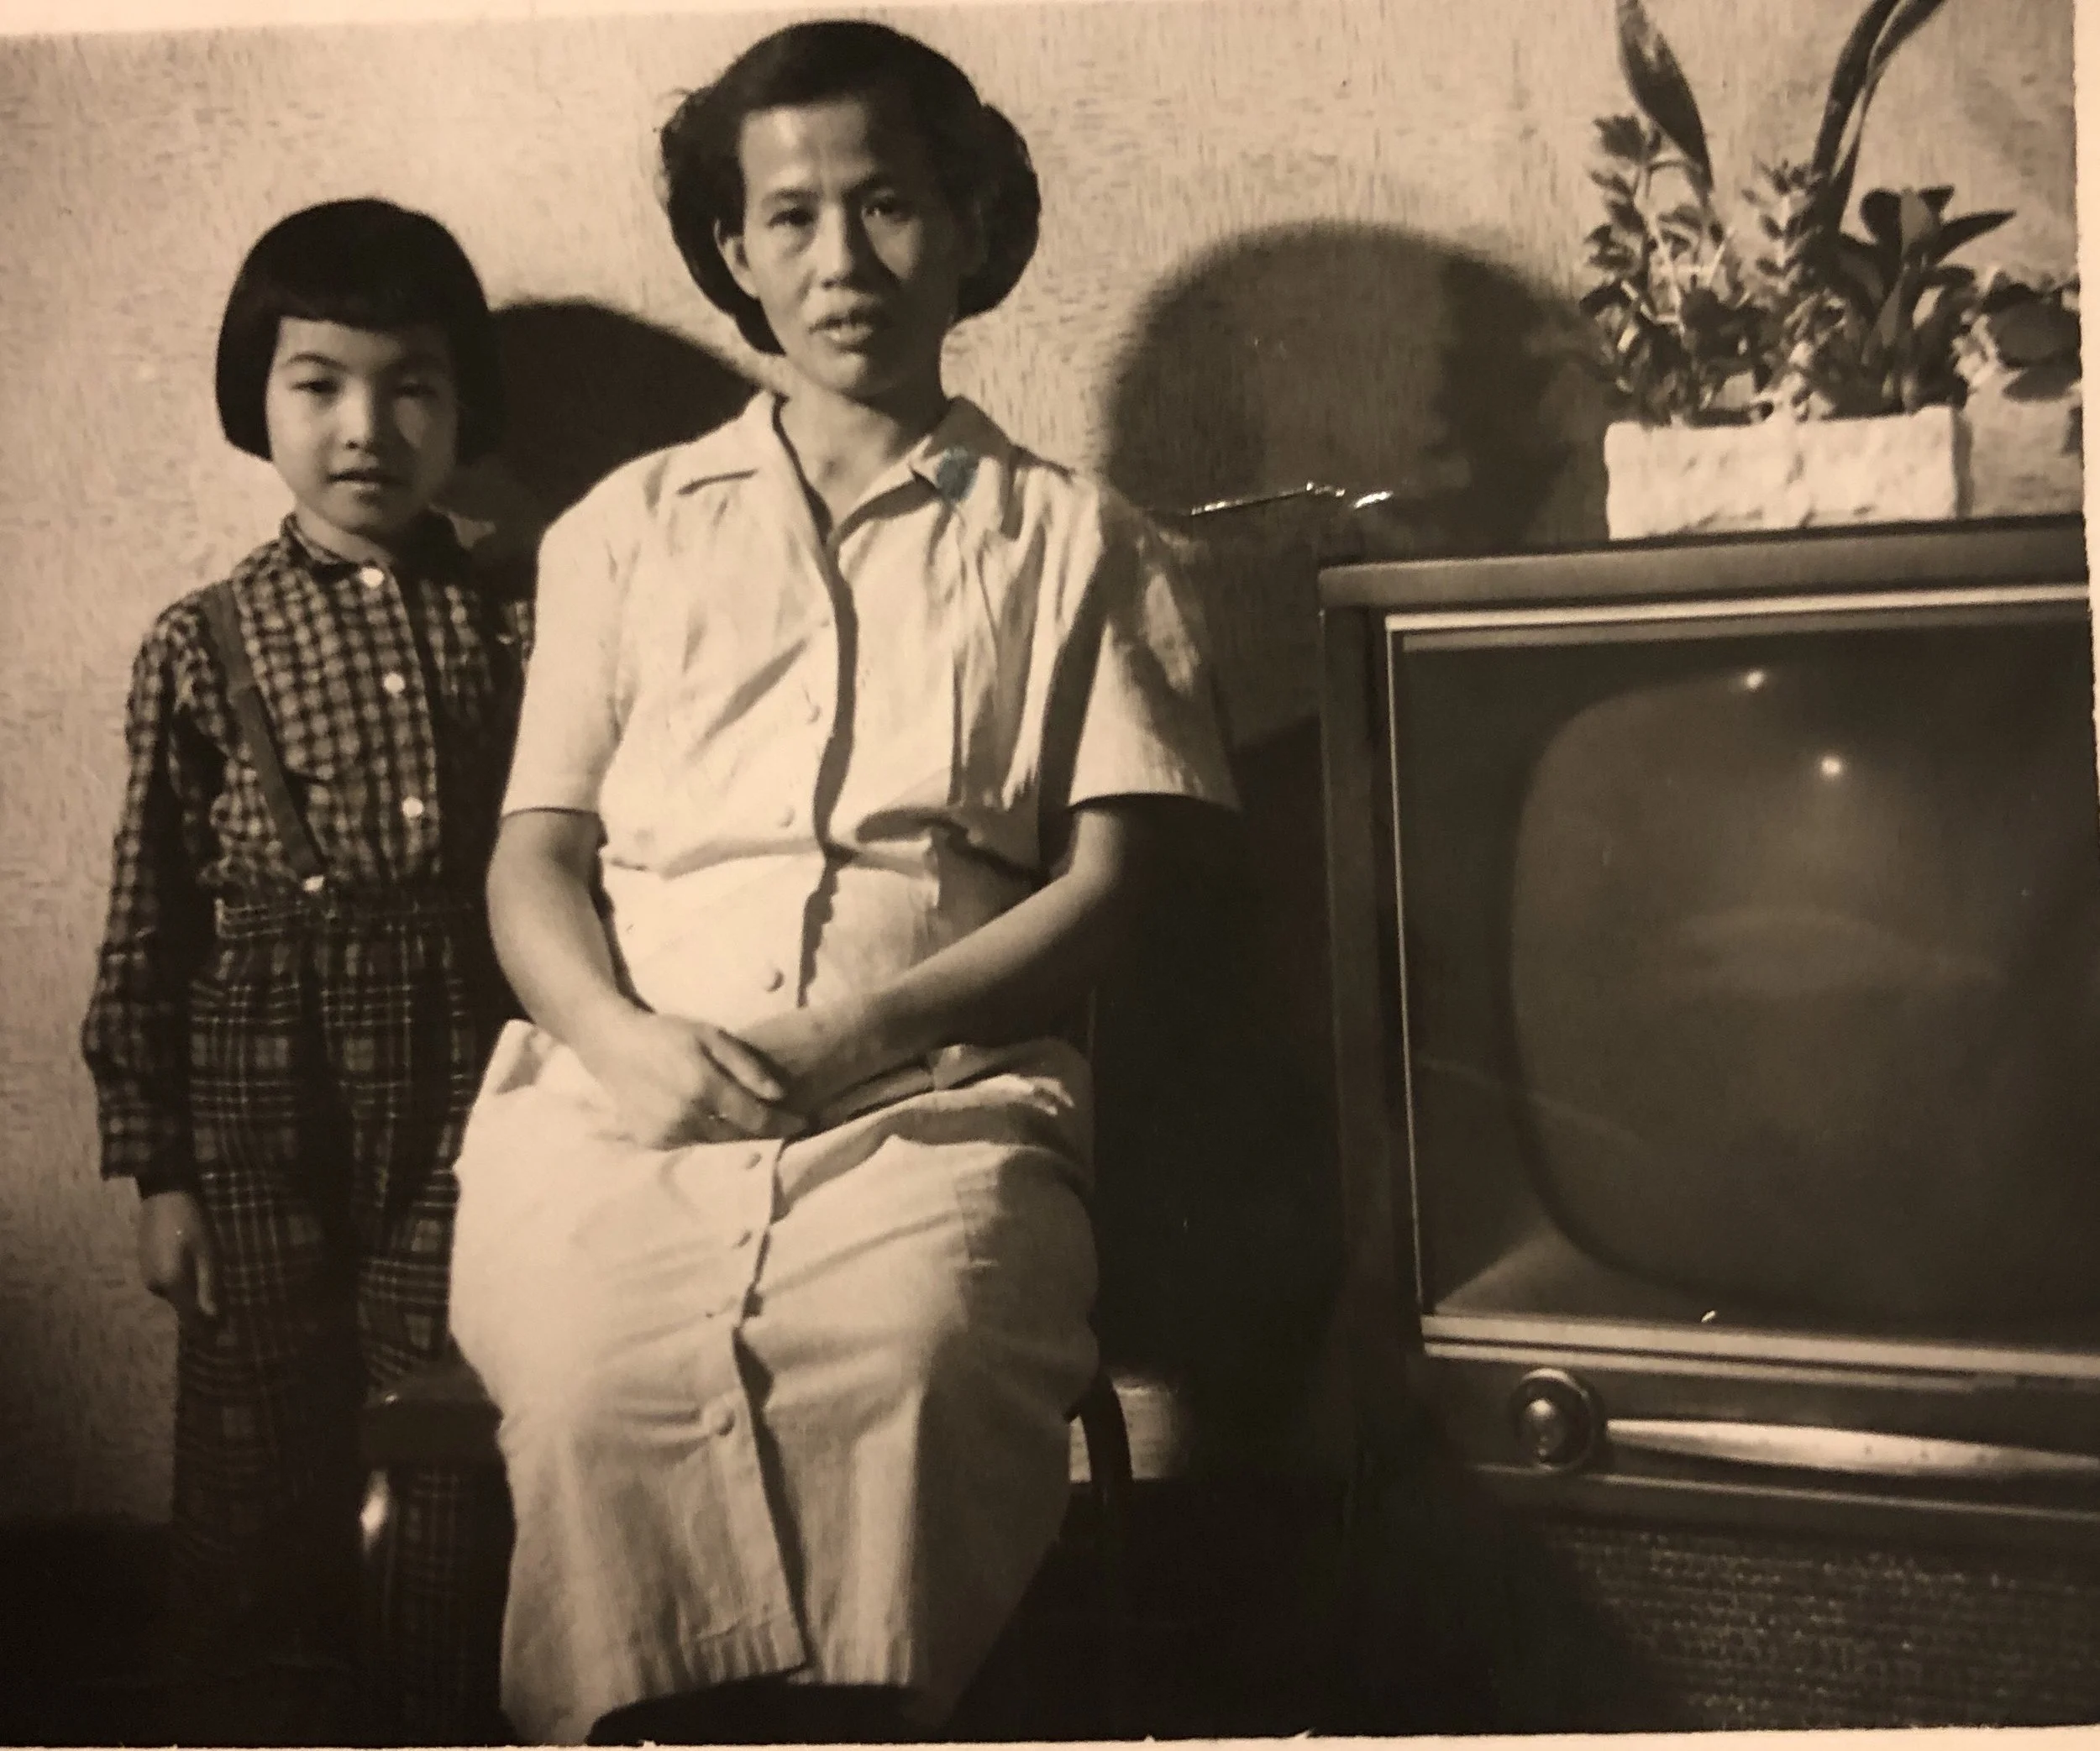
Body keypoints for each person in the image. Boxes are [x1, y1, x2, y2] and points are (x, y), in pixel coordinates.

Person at [444, 17, 1238, 1744]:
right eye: (788, 217)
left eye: (885, 206)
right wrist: (618, 1041)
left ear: (966, 225)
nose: (840, 261)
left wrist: (864, 1033)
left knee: (911, 1360)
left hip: (937, 1107)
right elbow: (534, 857)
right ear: (732, 251)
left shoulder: (1083, 543)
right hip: (626, 1108)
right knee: (595, 1386)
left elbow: (1118, 883)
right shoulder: (622, 531)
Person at [80, 197, 528, 1746]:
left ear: (462, 406)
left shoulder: (521, 623)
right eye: (319, 382)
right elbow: (148, 914)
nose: (365, 428)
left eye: (412, 387)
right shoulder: (201, 642)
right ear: (254, 397)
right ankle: (248, 1719)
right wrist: (158, 1169)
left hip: (473, 1078)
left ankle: (433, 1714)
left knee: (452, 1423)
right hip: (257, 1101)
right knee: (255, 1440)